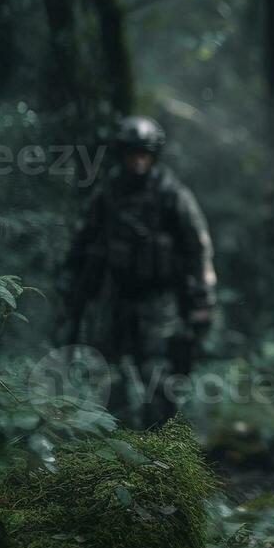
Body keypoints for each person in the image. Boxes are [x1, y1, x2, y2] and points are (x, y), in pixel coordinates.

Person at [61, 115, 217, 427]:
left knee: (157, 369)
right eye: (132, 153)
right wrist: (71, 283)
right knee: (108, 367)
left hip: (160, 298)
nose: (137, 161)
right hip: (116, 295)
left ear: (153, 154)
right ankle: (118, 439)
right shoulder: (108, 194)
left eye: (143, 153)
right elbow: (83, 240)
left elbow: (198, 247)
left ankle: (161, 439)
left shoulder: (171, 193)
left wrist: (202, 299)